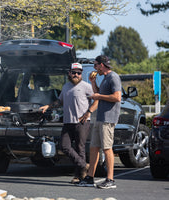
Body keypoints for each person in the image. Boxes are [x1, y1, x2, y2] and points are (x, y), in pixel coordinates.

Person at [40, 63, 98, 183]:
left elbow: (97, 100)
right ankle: (84, 165)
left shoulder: (86, 86)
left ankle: (79, 176)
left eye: (79, 73)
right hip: (67, 122)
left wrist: (88, 112)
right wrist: (48, 106)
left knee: (80, 148)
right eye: (74, 72)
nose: (76, 75)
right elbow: (60, 101)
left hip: (82, 122)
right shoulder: (66, 86)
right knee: (64, 146)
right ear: (69, 73)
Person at [78, 55, 121, 189]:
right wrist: (93, 82)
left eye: (95, 65)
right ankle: (90, 177)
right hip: (100, 118)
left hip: (108, 119)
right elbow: (98, 93)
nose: (95, 68)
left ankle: (110, 179)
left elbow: (117, 97)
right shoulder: (105, 78)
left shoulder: (113, 77)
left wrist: (99, 96)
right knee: (94, 147)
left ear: (101, 65)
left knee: (107, 148)